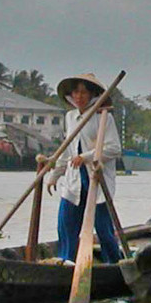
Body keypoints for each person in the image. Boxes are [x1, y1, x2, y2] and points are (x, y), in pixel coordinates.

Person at [47, 73, 122, 263]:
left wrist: (86, 157)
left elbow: (114, 149)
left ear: (91, 95)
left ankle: (113, 262)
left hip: (96, 180)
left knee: (103, 229)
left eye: (84, 92)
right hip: (74, 181)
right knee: (66, 225)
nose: (79, 96)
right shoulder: (71, 117)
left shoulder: (104, 117)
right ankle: (67, 262)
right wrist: (55, 175)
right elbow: (67, 149)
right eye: (76, 92)